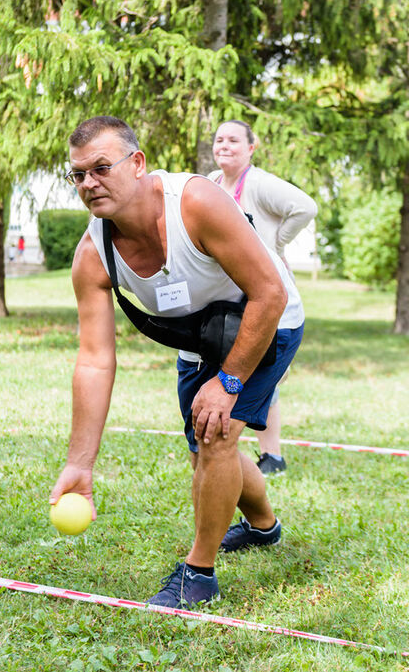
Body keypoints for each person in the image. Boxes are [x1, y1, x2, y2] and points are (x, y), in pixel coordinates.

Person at [49, 115, 305, 609]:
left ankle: (199, 574)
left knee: (216, 434)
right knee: (205, 448)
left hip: (269, 318)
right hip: (204, 332)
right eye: (77, 174)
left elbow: (269, 294)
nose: (88, 183)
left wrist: (229, 381)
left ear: (137, 163)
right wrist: (80, 463)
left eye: (101, 167)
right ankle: (264, 527)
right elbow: (95, 360)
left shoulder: (195, 203)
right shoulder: (93, 254)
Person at [209, 120, 317, 476]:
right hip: (231, 299)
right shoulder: (211, 183)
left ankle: (271, 456)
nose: (225, 145)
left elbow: (305, 207)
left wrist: (275, 245)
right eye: (219, 139)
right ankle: (263, 454)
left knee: (264, 374)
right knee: (247, 370)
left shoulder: (258, 183)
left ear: (251, 148)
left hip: (267, 296)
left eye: (234, 140)